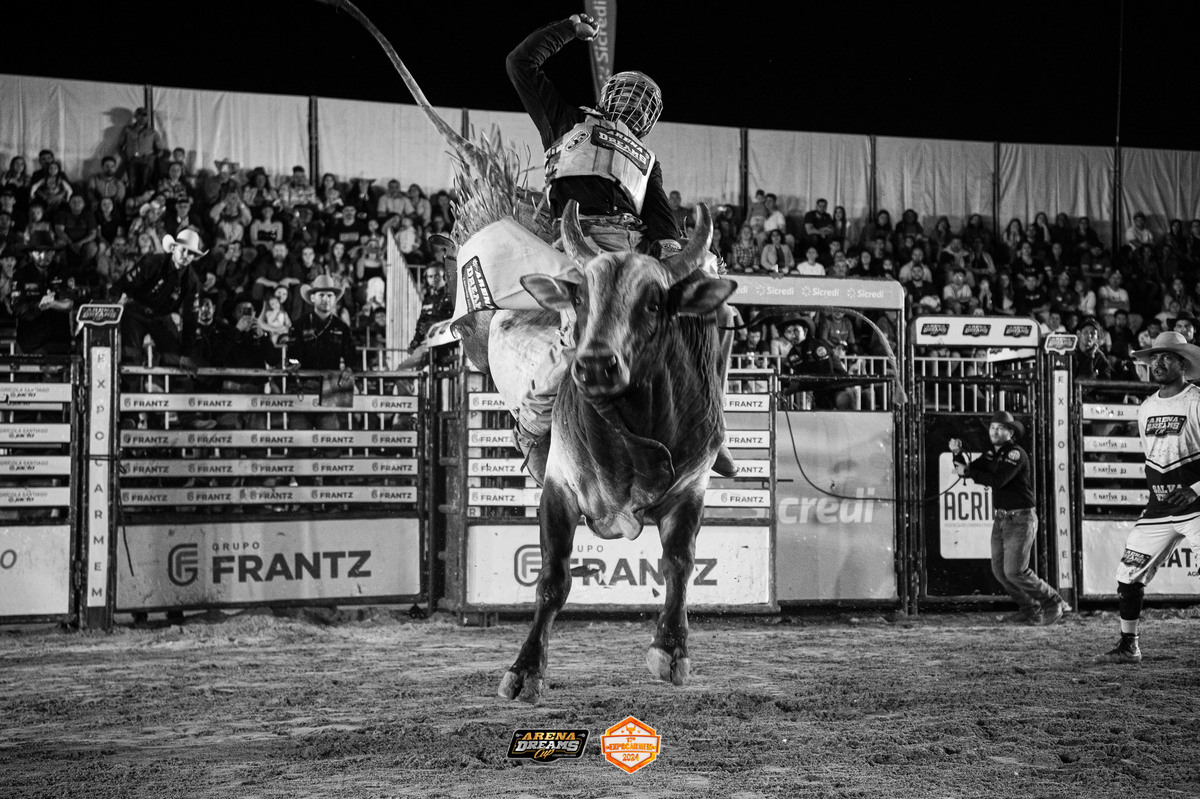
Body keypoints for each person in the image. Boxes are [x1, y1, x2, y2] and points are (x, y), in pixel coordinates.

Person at [1095, 332, 1200, 663]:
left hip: (1197, 506)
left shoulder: (1196, 401)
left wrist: (1195, 488)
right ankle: (1129, 644)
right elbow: (1153, 456)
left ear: (1183, 363)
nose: (1158, 363)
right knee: (1128, 573)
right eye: (1154, 357)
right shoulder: (1147, 407)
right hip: (1159, 507)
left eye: (1167, 357)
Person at [950, 412, 1068, 626]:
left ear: (1010, 432)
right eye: (992, 427)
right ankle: (1030, 609)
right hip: (1003, 519)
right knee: (1001, 571)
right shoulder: (991, 454)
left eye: (1000, 428)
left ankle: (1053, 601)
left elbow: (998, 480)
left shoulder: (1016, 454)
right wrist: (957, 454)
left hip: (1021, 518)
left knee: (1015, 571)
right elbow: (968, 470)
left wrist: (969, 473)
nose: (994, 431)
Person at [113, 229, 206, 367]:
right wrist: (115, 304)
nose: (186, 255)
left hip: (161, 316)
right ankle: (132, 379)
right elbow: (124, 284)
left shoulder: (191, 282)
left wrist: (186, 353)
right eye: (183, 249)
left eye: (191, 253)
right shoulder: (153, 262)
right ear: (173, 248)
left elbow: (191, 318)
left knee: (175, 357)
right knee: (131, 356)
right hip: (135, 311)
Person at [116, 107, 165, 198]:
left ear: (148, 117)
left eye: (145, 115)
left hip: (147, 162)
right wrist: (125, 156)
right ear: (135, 116)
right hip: (132, 161)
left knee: (146, 185)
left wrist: (152, 158)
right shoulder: (127, 130)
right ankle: (133, 203)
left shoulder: (153, 132)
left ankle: (144, 204)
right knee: (132, 184)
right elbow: (119, 146)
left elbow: (161, 150)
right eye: (139, 115)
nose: (142, 117)